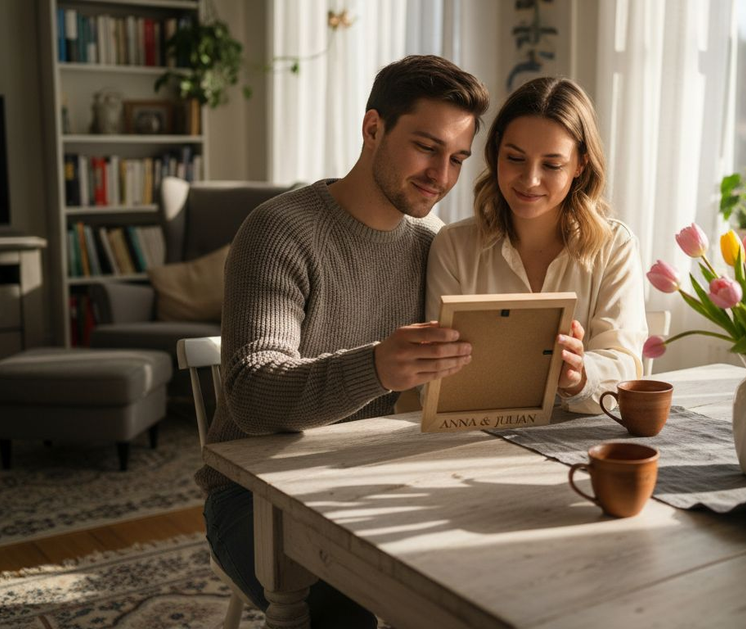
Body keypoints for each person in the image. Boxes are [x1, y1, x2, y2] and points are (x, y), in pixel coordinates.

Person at [195, 55, 489, 626]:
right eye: (427, 147)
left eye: (457, 158)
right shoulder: (278, 229)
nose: (442, 176)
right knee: (344, 613)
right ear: (373, 127)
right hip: (254, 495)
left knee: (481, 578)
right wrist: (378, 366)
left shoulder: (435, 244)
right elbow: (252, 394)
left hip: (371, 476)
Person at [426, 77, 647, 415]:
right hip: (477, 441)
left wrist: (578, 375)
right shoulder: (454, 247)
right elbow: (435, 383)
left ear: (580, 165)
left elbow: (626, 367)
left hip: (581, 444)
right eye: (514, 158)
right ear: (496, 150)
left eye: (552, 165)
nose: (530, 180)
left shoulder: (614, 246)